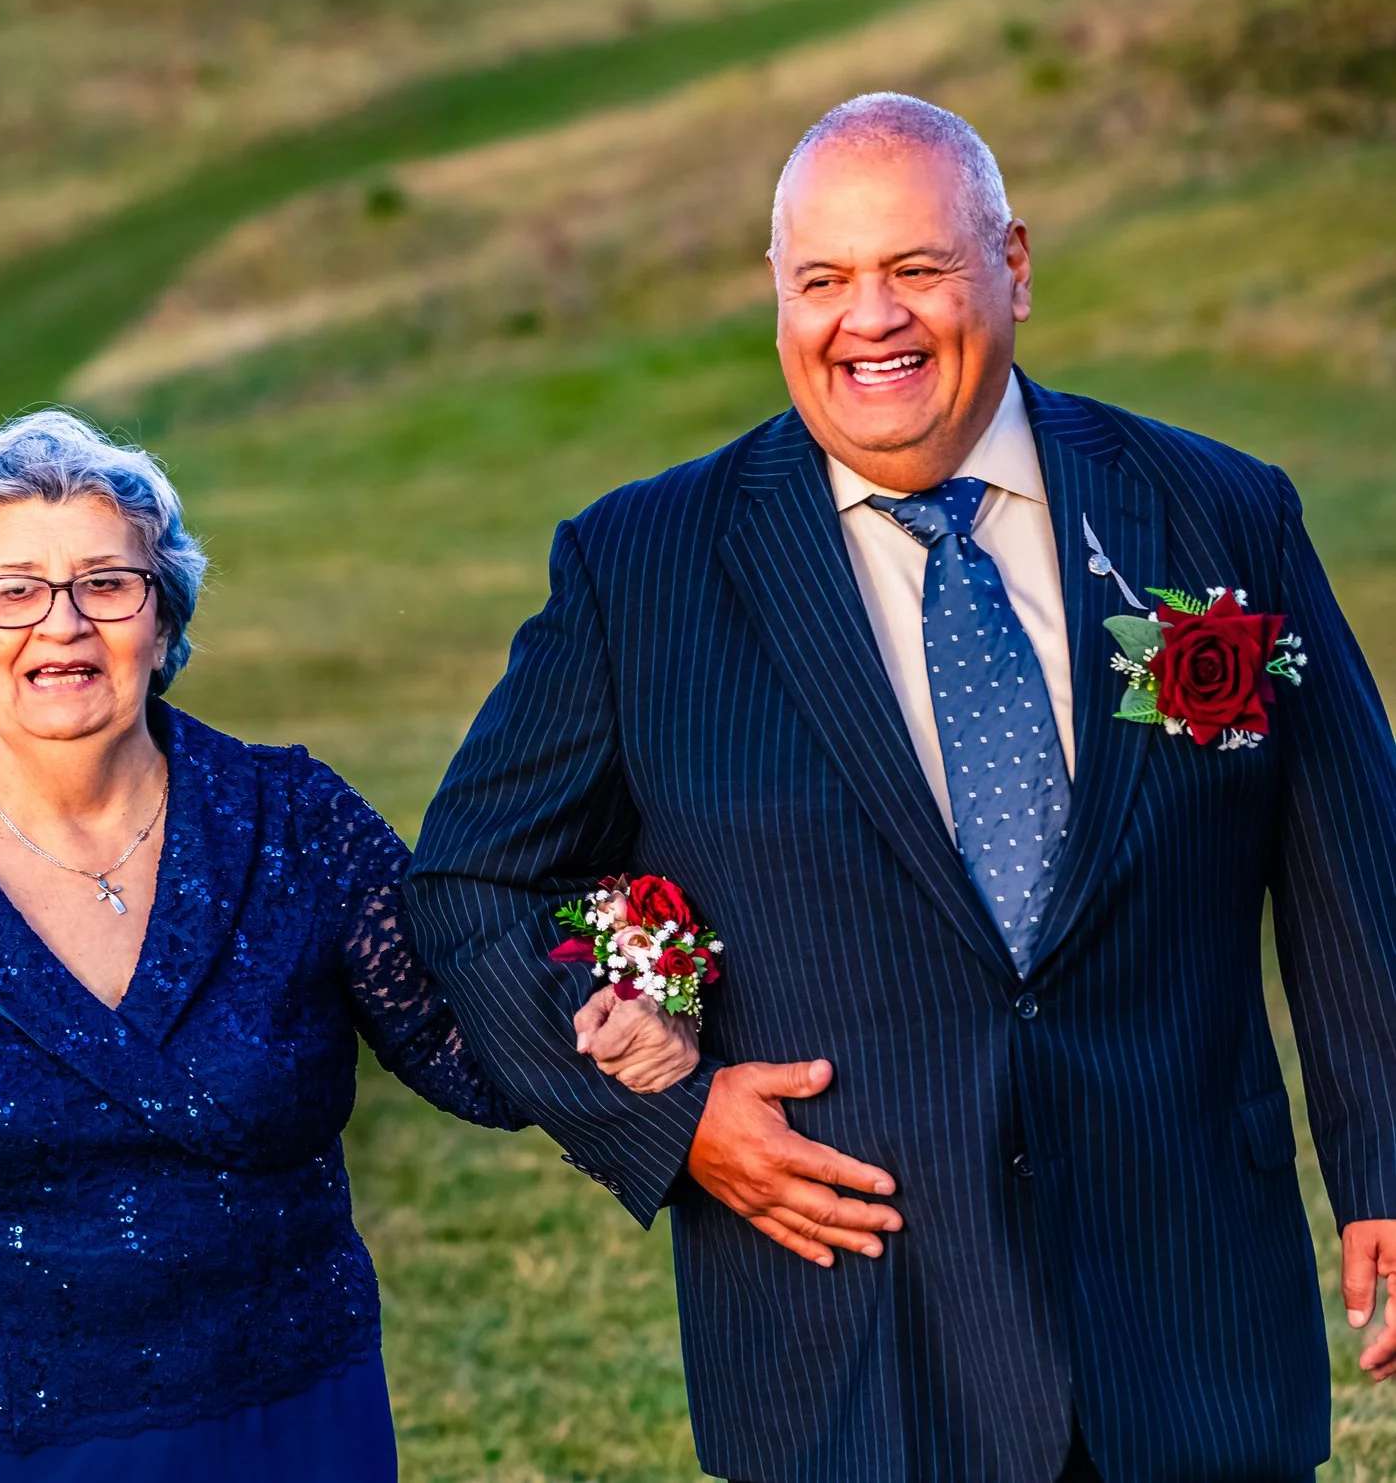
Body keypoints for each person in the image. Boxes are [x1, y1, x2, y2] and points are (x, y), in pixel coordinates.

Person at [405, 92, 1396, 1483]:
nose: (870, 317)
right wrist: (672, 1121)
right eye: (823, 279)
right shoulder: (642, 569)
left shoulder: (1223, 513)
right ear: (777, 300)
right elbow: (467, 886)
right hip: (856, 1354)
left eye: (917, 268)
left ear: (1017, 265)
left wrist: (1387, 1160)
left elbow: (1358, 869)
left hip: (1191, 1322)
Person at [0, 411, 690, 1483]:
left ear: (161, 622)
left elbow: (460, 1040)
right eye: (15, 590)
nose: (62, 625)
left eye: (106, 585)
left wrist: (625, 1003)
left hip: (284, 1424)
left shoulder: (294, 820)